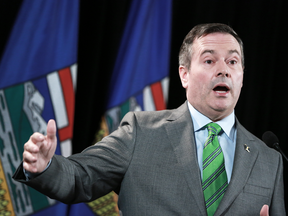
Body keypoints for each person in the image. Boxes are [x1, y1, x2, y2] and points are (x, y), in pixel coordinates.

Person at [13, 23, 285, 216]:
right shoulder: (140, 132)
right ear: (184, 75)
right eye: (210, 60)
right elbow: (79, 178)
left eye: (233, 62)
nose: (224, 70)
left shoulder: (268, 159)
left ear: (242, 75)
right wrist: (45, 166)